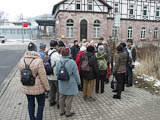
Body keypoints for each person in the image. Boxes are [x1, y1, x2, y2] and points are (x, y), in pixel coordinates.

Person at [19, 42, 50, 120]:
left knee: (30, 104)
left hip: (27, 87)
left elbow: (20, 75)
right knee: (40, 105)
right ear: (35, 50)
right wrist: (47, 88)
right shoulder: (38, 61)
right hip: (38, 89)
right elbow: (43, 77)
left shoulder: (22, 60)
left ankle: (32, 118)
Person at [56, 48, 81, 117]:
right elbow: (76, 74)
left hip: (61, 82)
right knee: (69, 98)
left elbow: (56, 73)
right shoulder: (72, 62)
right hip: (70, 83)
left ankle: (61, 111)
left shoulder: (58, 62)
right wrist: (79, 82)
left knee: (61, 97)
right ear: (69, 53)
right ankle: (68, 112)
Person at [47, 40, 61, 106]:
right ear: (56, 46)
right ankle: (59, 103)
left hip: (49, 75)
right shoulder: (56, 54)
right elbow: (59, 65)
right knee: (58, 90)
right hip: (55, 75)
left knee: (51, 89)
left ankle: (51, 101)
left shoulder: (48, 52)